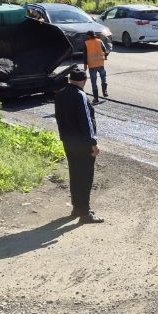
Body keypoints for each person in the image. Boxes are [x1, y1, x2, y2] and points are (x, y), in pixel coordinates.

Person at [54, 67, 104, 224]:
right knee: (85, 177)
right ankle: (85, 212)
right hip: (83, 143)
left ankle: (76, 207)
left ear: (70, 79)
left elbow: (59, 118)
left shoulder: (61, 94)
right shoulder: (80, 95)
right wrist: (93, 143)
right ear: (84, 81)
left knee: (75, 174)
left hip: (68, 142)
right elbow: (86, 121)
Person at [84, 31, 109, 102]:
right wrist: (105, 56)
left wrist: (85, 65)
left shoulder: (86, 43)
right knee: (103, 77)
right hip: (100, 63)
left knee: (94, 82)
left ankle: (96, 98)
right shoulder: (99, 41)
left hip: (92, 65)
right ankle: (105, 92)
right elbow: (105, 50)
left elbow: (85, 55)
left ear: (88, 36)